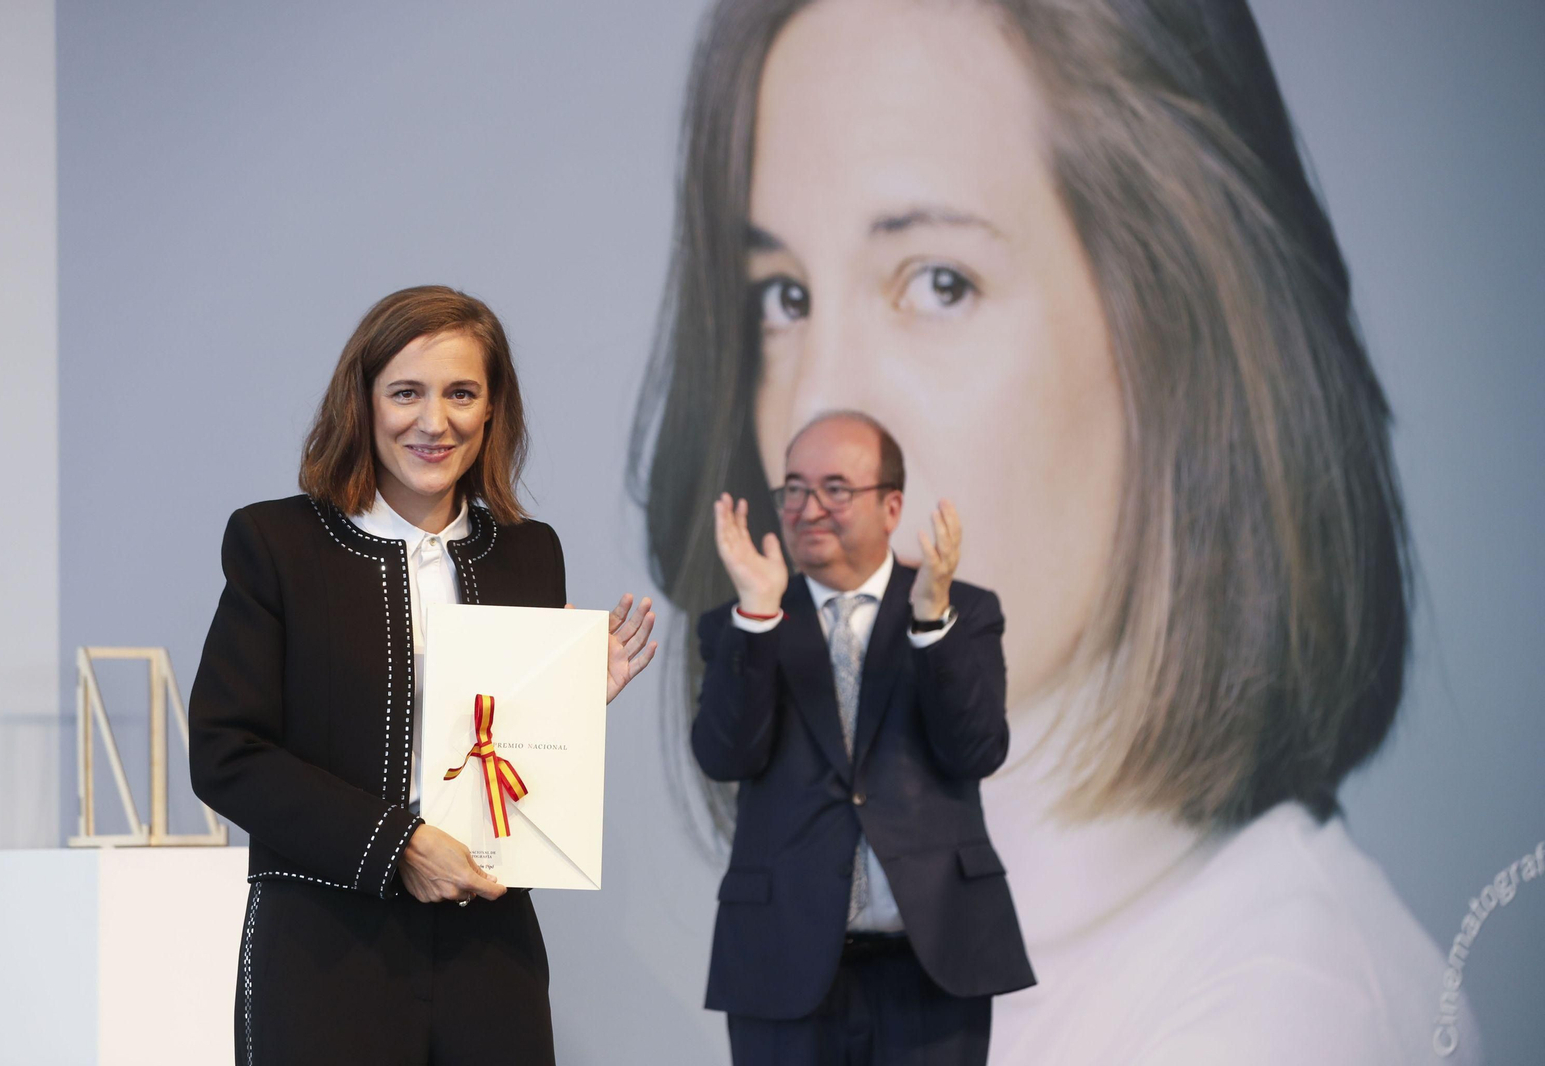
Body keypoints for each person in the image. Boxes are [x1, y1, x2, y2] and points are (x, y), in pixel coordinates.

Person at [629, 0, 1481, 1061]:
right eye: (783, 296)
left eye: (938, 283)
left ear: (1173, 330)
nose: (819, 423)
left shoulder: (1288, 1016)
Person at [190, 285, 656, 1065]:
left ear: (492, 409)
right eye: (406, 392)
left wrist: (566, 703)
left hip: (489, 945)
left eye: (461, 394)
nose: (434, 422)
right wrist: (399, 843)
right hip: (324, 944)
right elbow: (225, 753)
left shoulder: (527, 551)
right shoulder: (278, 543)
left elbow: (497, 752)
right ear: (363, 402)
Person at [694, 411, 1033, 1065]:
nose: (808, 507)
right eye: (794, 488)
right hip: (782, 963)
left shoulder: (961, 608)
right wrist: (758, 620)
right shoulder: (744, 619)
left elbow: (976, 750)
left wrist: (932, 626)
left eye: (835, 489)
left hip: (933, 965)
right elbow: (725, 755)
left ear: (892, 505)